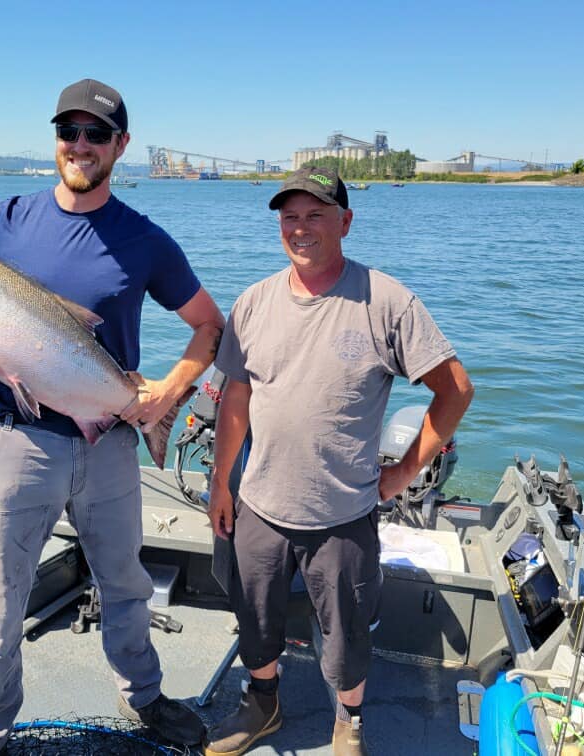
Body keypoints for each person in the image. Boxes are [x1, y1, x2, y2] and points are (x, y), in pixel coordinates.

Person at [0, 78, 224, 755]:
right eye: (68, 132)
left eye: (96, 134)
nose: (80, 145)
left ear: (120, 146)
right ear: (55, 141)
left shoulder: (146, 241)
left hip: (106, 447)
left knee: (126, 583)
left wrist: (166, 396)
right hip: (13, 444)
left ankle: (147, 698)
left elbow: (209, 327)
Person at [204, 167, 473, 755]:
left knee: (348, 633)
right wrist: (222, 483)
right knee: (255, 617)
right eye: (290, 217)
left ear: (345, 222)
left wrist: (402, 473)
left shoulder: (387, 301)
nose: (300, 229)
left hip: (344, 512)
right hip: (259, 503)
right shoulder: (252, 303)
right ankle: (263, 701)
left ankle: (348, 721)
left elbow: (454, 389)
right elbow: (236, 399)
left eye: (315, 215)